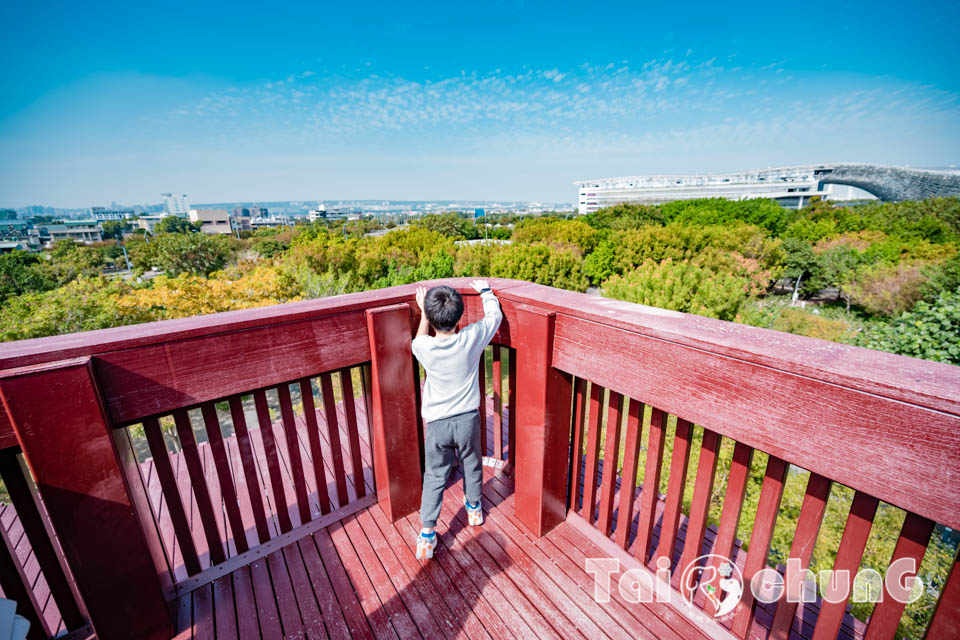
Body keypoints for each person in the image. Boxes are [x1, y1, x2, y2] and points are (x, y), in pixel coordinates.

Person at [411, 280, 503, 559]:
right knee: (472, 465)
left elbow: (419, 340)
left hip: (438, 425)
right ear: (459, 316)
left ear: (430, 317)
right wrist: (486, 292)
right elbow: (494, 317)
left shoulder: (422, 347)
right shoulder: (470, 338)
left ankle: (427, 533)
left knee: (435, 476)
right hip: (467, 420)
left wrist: (424, 316)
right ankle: (474, 509)